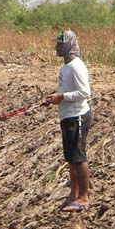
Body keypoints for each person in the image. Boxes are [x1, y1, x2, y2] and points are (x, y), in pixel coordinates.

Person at [43, 29, 92, 212]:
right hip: (67, 116)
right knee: (71, 159)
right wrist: (52, 98)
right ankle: (73, 195)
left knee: (79, 158)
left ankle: (84, 198)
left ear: (68, 46)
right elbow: (64, 90)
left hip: (77, 115)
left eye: (59, 44)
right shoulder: (65, 66)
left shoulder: (76, 66)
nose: (56, 47)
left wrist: (61, 97)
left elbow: (85, 93)